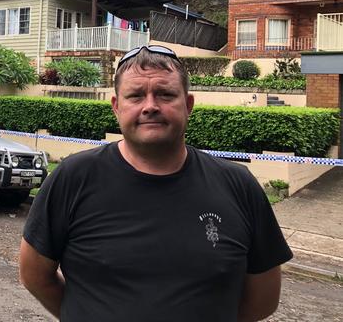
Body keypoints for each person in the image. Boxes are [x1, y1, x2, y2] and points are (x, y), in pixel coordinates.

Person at [19, 45, 292, 321]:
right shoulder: (74, 177)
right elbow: (34, 275)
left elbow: (263, 300)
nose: (150, 106)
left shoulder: (238, 185)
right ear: (117, 107)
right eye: (136, 96)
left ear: (188, 105)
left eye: (165, 94)